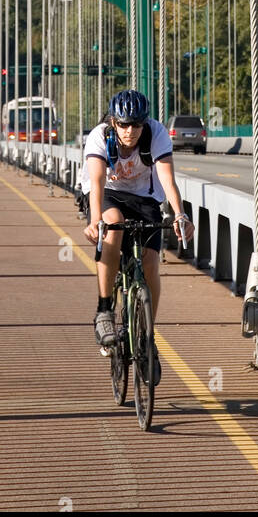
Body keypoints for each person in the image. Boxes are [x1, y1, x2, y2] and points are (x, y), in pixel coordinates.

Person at [82, 89, 193, 383]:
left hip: (144, 200)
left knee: (150, 262)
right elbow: (96, 182)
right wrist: (95, 222)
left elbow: (167, 179)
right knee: (114, 225)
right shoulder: (99, 136)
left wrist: (180, 214)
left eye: (137, 124)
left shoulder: (156, 134)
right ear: (113, 122)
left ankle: (147, 337)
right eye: (124, 124)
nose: (130, 131)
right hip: (107, 196)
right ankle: (104, 309)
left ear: (145, 123)